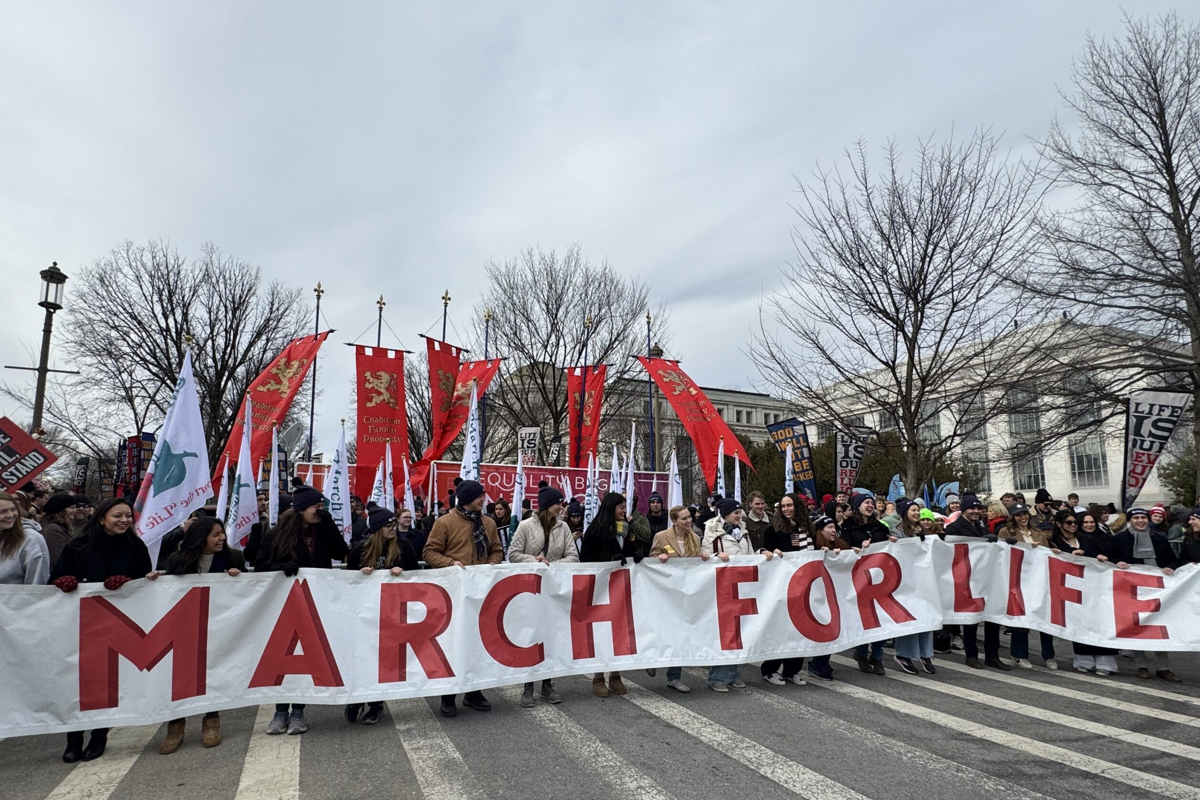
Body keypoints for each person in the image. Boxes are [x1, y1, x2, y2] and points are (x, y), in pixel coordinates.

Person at [50, 497, 153, 762]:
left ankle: (99, 734)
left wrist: (129, 583)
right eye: (118, 516)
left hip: (116, 624)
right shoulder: (77, 546)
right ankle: (73, 737)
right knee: (77, 683)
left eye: (128, 516)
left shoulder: (136, 547)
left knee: (106, 682)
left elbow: (145, 584)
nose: (124, 520)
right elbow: (53, 580)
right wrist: (64, 582)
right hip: (80, 624)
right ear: (101, 519)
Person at [254, 486, 349, 734]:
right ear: (301, 509)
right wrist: (281, 567)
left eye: (321, 506)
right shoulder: (278, 534)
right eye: (316, 507)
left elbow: (341, 553)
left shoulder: (323, 531)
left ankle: (298, 710)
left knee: (305, 657)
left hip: (315, 601)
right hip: (286, 603)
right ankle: (280, 710)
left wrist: (330, 526)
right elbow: (260, 565)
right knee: (284, 658)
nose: (320, 511)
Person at [148, 517, 243, 752]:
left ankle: (211, 722)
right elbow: (168, 592)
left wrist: (239, 577)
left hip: (218, 626)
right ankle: (175, 727)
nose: (221, 538)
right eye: (215, 534)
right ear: (200, 538)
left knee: (211, 673)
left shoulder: (233, 557)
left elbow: (247, 589)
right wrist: (155, 581)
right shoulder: (177, 559)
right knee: (179, 677)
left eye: (222, 533)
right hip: (184, 627)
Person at [423, 479, 503, 715]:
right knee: (453, 644)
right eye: (479, 496)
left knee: (477, 642)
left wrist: (491, 564)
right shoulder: (445, 522)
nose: (483, 499)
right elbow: (429, 552)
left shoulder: (488, 523)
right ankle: (448, 696)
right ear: (467, 498)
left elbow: (497, 550)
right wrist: (451, 563)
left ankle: (474, 692)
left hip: (480, 593)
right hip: (454, 593)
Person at [344, 504, 419, 724]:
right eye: (389, 525)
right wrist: (361, 574)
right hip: (365, 613)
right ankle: (357, 699)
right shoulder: (361, 549)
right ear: (378, 528)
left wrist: (403, 572)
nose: (393, 528)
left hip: (392, 614)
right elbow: (347, 581)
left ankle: (376, 703)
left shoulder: (403, 546)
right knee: (362, 657)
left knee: (382, 660)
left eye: (394, 524)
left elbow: (416, 574)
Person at [507, 486, 577, 706]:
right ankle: (528, 685)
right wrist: (534, 560)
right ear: (546, 505)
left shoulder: (563, 527)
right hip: (529, 590)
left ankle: (547, 684)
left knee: (551, 637)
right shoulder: (526, 526)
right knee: (530, 636)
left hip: (552, 590)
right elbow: (513, 554)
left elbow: (573, 556)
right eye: (557, 503)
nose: (561, 507)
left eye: (561, 503)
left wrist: (552, 565)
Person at [701, 498, 778, 691]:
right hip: (722, 588)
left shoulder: (742, 531)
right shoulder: (712, 531)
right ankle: (716, 677)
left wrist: (761, 553)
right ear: (726, 514)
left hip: (741, 586)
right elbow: (703, 555)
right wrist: (715, 556)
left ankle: (732, 674)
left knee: (738, 633)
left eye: (739, 512)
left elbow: (749, 554)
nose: (739, 515)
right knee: (725, 634)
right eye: (736, 513)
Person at [1106, 507, 1180, 682]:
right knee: (1137, 626)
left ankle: (1163, 667)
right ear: (1130, 521)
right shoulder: (1119, 540)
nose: (1140, 521)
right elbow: (1109, 558)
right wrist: (1118, 562)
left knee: (1158, 626)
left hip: (1157, 590)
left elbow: (1172, 560)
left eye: (1143, 517)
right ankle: (1141, 666)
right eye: (1136, 518)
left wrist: (1170, 567)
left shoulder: (1159, 539)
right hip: (1131, 590)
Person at [580, 492, 641, 696]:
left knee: (620, 630)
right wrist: (609, 557)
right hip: (601, 590)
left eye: (625, 507)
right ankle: (598, 677)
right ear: (611, 508)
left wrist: (636, 554)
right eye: (621, 507)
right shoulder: (595, 530)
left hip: (621, 589)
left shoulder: (625, 528)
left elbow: (629, 550)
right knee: (602, 632)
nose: (624, 511)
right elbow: (585, 558)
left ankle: (616, 675)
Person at [944, 494, 1009, 670]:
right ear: (964, 510)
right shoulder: (954, 529)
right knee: (971, 618)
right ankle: (971, 655)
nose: (976, 511)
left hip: (985, 577)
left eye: (978, 508)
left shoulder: (981, 527)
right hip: (967, 578)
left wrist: (1004, 543)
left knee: (991, 616)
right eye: (972, 508)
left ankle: (992, 655)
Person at [649, 505, 708, 692]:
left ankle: (674, 677)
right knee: (663, 630)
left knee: (680, 634)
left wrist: (703, 557)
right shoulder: (661, 537)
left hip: (685, 594)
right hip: (667, 593)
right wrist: (659, 557)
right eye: (684, 518)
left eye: (689, 517)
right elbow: (651, 560)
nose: (689, 521)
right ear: (674, 521)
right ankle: (652, 657)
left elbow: (696, 564)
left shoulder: (695, 538)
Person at [759, 493, 814, 686]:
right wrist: (770, 552)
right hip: (783, 587)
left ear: (797, 506)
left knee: (800, 630)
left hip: (805, 585)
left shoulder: (808, 528)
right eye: (783, 506)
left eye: (789, 505)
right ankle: (770, 669)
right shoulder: (773, 529)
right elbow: (763, 550)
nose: (786, 509)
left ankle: (792, 670)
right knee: (781, 630)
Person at [999, 504, 1056, 669]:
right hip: (1018, 580)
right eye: (1018, 515)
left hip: (1038, 579)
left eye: (1024, 514)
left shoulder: (1038, 533)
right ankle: (1019, 653)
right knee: (1021, 619)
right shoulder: (1005, 532)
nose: (1022, 518)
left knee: (1044, 617)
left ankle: (1049, 655)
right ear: (1013, 517)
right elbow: (1002, 553)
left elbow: (1046, 553)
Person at [842, 493, 890, 675]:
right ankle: (861, 653)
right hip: (859, 579)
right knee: (864, 618)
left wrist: (892, 542)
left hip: (879, 578)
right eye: (866, 503)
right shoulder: (848, 527)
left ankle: (877, 656)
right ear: (857, 507)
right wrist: (856, 549)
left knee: (882, 618)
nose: (870, 505)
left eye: (871, 502)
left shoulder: (879, 526)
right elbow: (843, 548)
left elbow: (887, 544)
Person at [889, 500, 936, 675]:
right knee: (909, 617)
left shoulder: (923, 530)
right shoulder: (896, 531)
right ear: (904, 513)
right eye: (913, 510)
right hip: (905, 581)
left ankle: (925, 653)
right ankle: (904, 654)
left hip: (923, 579)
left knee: (927, 615)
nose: (917, 513)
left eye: (918, 510)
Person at [0, 492, 49, 586]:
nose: (10, 515)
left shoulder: (31, 539)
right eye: (2, 511)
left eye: (13, 509)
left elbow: (37, 583)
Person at [38, 493, 76, 568]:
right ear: (61, 510)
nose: (75, 511)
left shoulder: (60, 527)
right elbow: (57, 558)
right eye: (71, 508)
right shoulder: (53, 529)